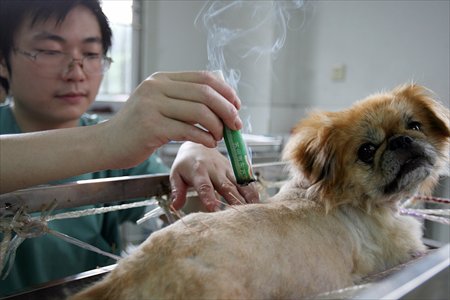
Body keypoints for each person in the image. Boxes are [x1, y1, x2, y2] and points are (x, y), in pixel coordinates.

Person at [0, 0, 259, 296]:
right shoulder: (110, 140)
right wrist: (107, 139)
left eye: (91, 53)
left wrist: (194, 157)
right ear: (3, 62)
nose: (76, 71)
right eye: (50, 51)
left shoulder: (115, 145)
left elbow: (181, 211)